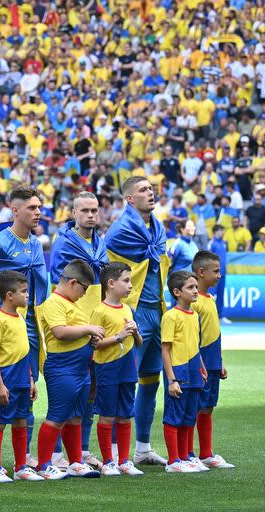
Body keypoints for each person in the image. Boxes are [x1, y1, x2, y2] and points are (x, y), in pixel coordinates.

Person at [104, 176, 169, 466]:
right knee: (125, 382)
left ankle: (142, 448)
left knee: (151, 381)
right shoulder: (120, 230)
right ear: (130, 199)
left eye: (151, 189)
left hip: (157, 308)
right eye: (143, 190)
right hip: (134, 310)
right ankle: (118, 453)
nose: (150, 193)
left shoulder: (158, 229)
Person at [0, 186, 47, 471]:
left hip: (29, 323)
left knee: (26, 390)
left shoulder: (36, 243)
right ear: (15, 210)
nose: (38, 213)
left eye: (39, 207)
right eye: (32, 208)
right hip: (1, 322)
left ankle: (25, 457)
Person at [48, 190, 108, 469]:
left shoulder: (100, 243)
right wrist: (80, 326)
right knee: (67, 395)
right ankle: (57, 452)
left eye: (94, 210)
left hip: (97, 326)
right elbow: (60, 289)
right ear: (73, 214)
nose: (91, 215)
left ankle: (81, 451)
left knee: (90, 394)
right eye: (84, 210)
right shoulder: (64, 244)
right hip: (76, 329)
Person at [35, 259, 103, 480]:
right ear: (73, 282)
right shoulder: (54, 302)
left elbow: (76, 332)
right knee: (57, 415)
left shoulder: (73, 304)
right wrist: (89, 329)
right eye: (83, 289)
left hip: (80, 368)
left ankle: (75, 462)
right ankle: (44, 465)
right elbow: (60, 332)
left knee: (76, 416)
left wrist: (90, 338)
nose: (84, 294)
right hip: (62, 367)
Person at [0, 270, 44, 483]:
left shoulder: (19, 317)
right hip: (7, 380)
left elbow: (24, 350)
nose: (27, 295)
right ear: (10, 295)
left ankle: (20, 467)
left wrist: (30, 379)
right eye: (24, 291)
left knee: (21, 422)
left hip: (21, 379)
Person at [90, 263, 144, 477]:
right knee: (107, 415)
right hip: (107, 369)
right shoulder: (99, 311)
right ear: (111, 283)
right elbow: (95, 344)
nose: (130, 285)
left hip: (128, 369)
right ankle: (109, 461)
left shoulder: (128, 309)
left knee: (125, 415)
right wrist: (120, 335)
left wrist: (135, 332)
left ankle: (124, 460)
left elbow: (138, 342)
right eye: (126, 280)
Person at [190, 251, 235, 469]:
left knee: (207, 407)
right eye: (216, 271)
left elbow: (212, 333)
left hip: (213, 363)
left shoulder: (209, 299)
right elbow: (192, 338)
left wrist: (220, 361)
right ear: (201, 272)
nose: (220, 275)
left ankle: (206, 453)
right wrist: (199, 363)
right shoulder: (194, 301)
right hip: (200, 364)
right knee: (194, 407)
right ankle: (188, 455)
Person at [161, 271, 207, 473]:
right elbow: (165, 349)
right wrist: (172, 379)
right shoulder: (170, 316)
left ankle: (186, 456)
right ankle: (173, 461)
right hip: (178, 372)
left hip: (194, 370)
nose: (196, 290)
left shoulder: (195, 315)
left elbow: (195, 344)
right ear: (177, 292)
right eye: (191, 287)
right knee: (174, 416)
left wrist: (202, 366)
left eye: (196, 287)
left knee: (189, 416)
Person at [207, 225, 229, 323]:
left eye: (223, 231)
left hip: (223, 273)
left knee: (221, 295)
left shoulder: (224, 243)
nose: (222, 233)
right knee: (211, 295)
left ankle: (220, 316)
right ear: (215, 232)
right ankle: (210, 316)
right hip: (213, 274)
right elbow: (207, 259)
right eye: (221, 231)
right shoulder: (211, 243)